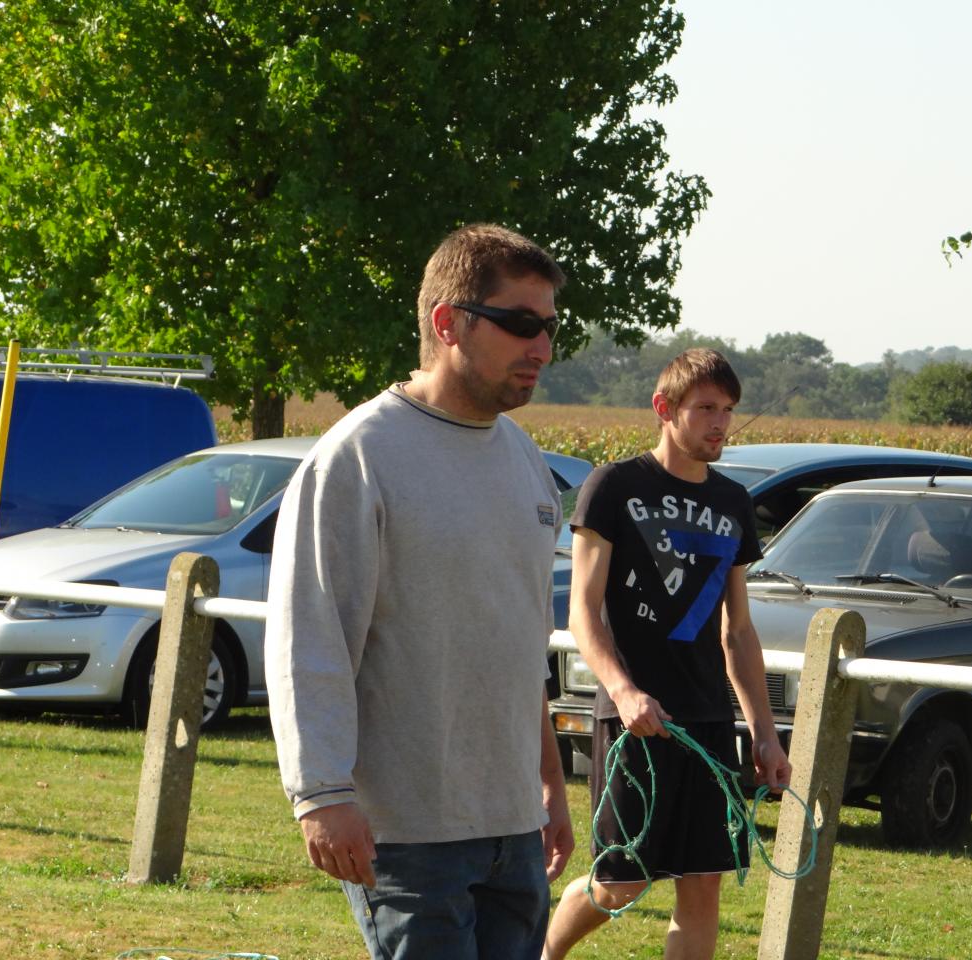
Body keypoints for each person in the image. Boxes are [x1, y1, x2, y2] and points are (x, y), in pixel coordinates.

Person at [265, 223, 574, 960]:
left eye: (550, 328)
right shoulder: (358, 457)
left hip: (511, 829)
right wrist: (321, 795)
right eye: (521, 324)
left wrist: (550, 785)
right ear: (448, 322)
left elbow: (522, 640)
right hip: (405, 834)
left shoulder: (525, 458)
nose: (542, 348)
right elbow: (311, 639)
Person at [543, 348, 791, 960]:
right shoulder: (614, 487)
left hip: (707, 720)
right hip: (635, 720)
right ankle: (542, 952)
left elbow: (738, 631)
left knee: (702, 884)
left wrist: (763, 733)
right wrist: (624, 692)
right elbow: (583, 610)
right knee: (620, 881)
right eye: (705, 407)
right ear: (664, 408)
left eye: (728, 410)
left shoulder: (733, 502)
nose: (720, 423)